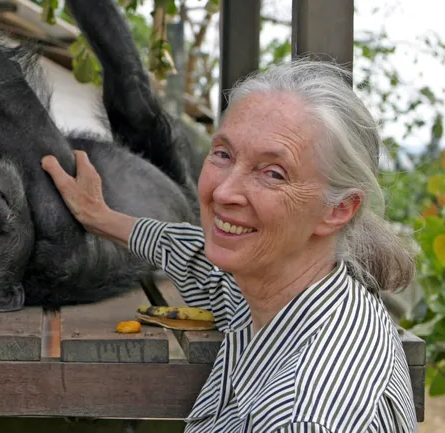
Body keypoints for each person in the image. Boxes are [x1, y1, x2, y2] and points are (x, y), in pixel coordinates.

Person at [41, 59, 418, 433]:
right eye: (223, 154)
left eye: (273, 173)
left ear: (338, 210)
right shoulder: (279, 293)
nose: (223, 191)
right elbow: (197, 262)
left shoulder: (306, 415)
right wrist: (102, 218)